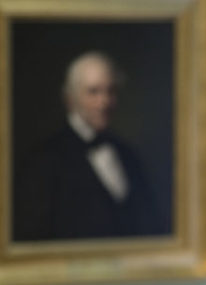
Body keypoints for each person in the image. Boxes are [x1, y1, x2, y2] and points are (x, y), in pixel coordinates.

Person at [12, 51, 169, 241]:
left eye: (111, 91)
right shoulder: (45, 161)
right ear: (70, 99)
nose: (104, 102)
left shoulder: (127, 154)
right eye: (93, 92)